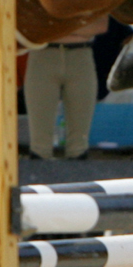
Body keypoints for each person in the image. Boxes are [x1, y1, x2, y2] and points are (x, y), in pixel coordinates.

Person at [25, 15, 109, 159]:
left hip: (81, 55)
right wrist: (77, 27)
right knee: (39, 142)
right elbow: (30, 27)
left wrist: (56, 28)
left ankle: (78, 175)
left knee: (79, 142)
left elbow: (100, 26)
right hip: (43, 56)